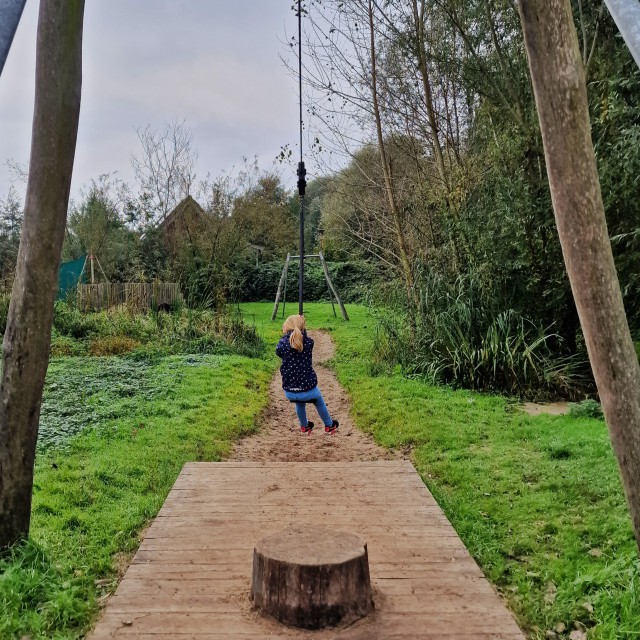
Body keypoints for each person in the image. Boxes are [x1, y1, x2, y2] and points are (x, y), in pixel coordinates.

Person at [276, 314, 339, 435]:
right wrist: (302, 326)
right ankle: (329, 425)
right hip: (309, 389)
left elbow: (279, 352)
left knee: (300, 403)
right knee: (319, 401)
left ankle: (304, 426)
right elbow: (303, 340)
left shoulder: (282, 344)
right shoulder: (308, 343)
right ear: (302, 328)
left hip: (289, 392)